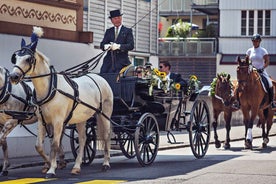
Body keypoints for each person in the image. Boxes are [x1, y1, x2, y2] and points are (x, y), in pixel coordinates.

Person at [233, 34, 276, 109]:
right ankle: (237, 102)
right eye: (253, 41)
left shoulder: (263, 51)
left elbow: (267, 61)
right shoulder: (249, 51)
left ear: (259, 42)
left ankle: (272, 102)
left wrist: (262, 67)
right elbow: (246, 61)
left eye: (256, 41)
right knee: (238, 85)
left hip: (261, 71)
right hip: (251, 71)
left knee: (270, 83)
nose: (255, 42)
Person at [100, 9, 134, 73]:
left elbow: (131, 45)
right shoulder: (109, 31)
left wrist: (119, 46)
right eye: (115, 18)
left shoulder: (127, 31)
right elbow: (102, 44)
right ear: (112, 20)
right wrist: (106, 46)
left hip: (122, 62)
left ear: (121, 18)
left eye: (118, 18)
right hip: (109, 62)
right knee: (103, 75)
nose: (117, 20)